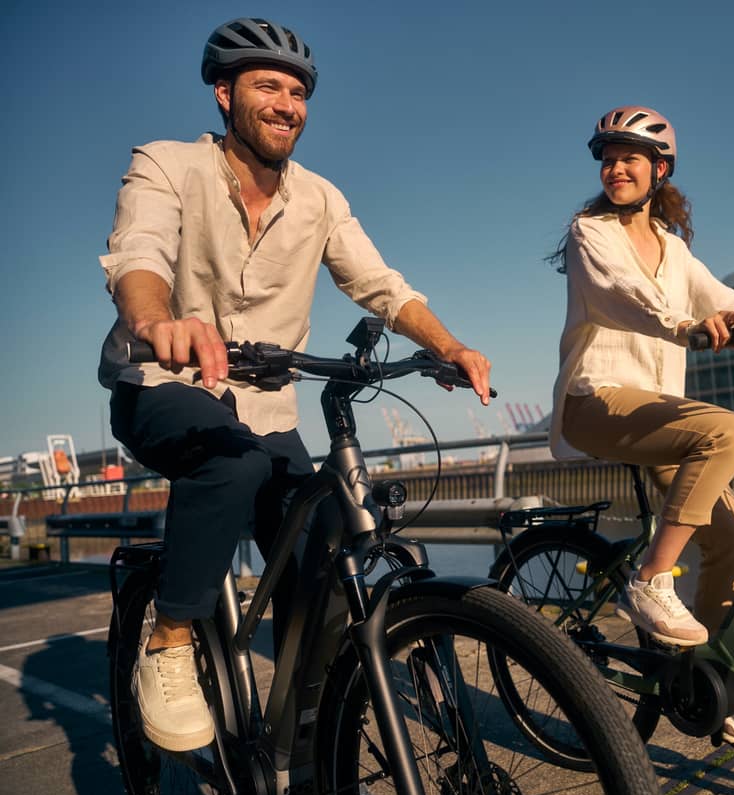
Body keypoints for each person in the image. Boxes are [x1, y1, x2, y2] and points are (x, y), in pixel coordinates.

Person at [97, 17, 491, 753]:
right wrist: (159, 321)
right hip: (163, 382)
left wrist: (448, 345)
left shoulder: (320, 198)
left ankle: (302, 743)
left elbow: (378, 284)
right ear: (224, 94)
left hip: (269, 407)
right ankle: (171, 639)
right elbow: (138, 254)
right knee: (231, 463)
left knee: (322, 556)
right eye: (267, 86)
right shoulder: (166, 164)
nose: (287, 103)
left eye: (299, 92)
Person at [548, 105, 734, 748]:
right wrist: (686, 328)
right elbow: (621, 294)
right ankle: (651, 581)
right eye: (607, 157)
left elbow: (733, 304)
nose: (615, 166)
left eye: (629, 157)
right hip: (598, 400)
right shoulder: (588, 233)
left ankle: (708, 685)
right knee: (727, 432)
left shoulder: (674, 250)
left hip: (656, 412)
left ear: (660, 170)